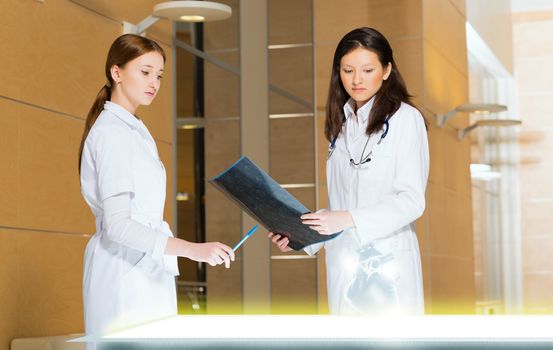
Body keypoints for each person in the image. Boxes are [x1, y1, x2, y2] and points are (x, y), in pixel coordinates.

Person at [78, 34, 234, 346]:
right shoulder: (112, 133)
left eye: (159, 75)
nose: (154, 83)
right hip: (123, 271)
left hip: (145, 267)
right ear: (117, 72)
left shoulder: (134, 129)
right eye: (145, 72)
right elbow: (118, 226)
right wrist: (192, 249)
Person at [269, 27, 429, 316]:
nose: (356, 80)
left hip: (387, 263)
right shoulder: (341, 126)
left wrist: (344, 218)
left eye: (367, 70)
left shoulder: (406, 119)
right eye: (347, 70)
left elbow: (411, 202)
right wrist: (302, 236)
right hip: (345, 263)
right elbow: (342, 205)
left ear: (386, 70)